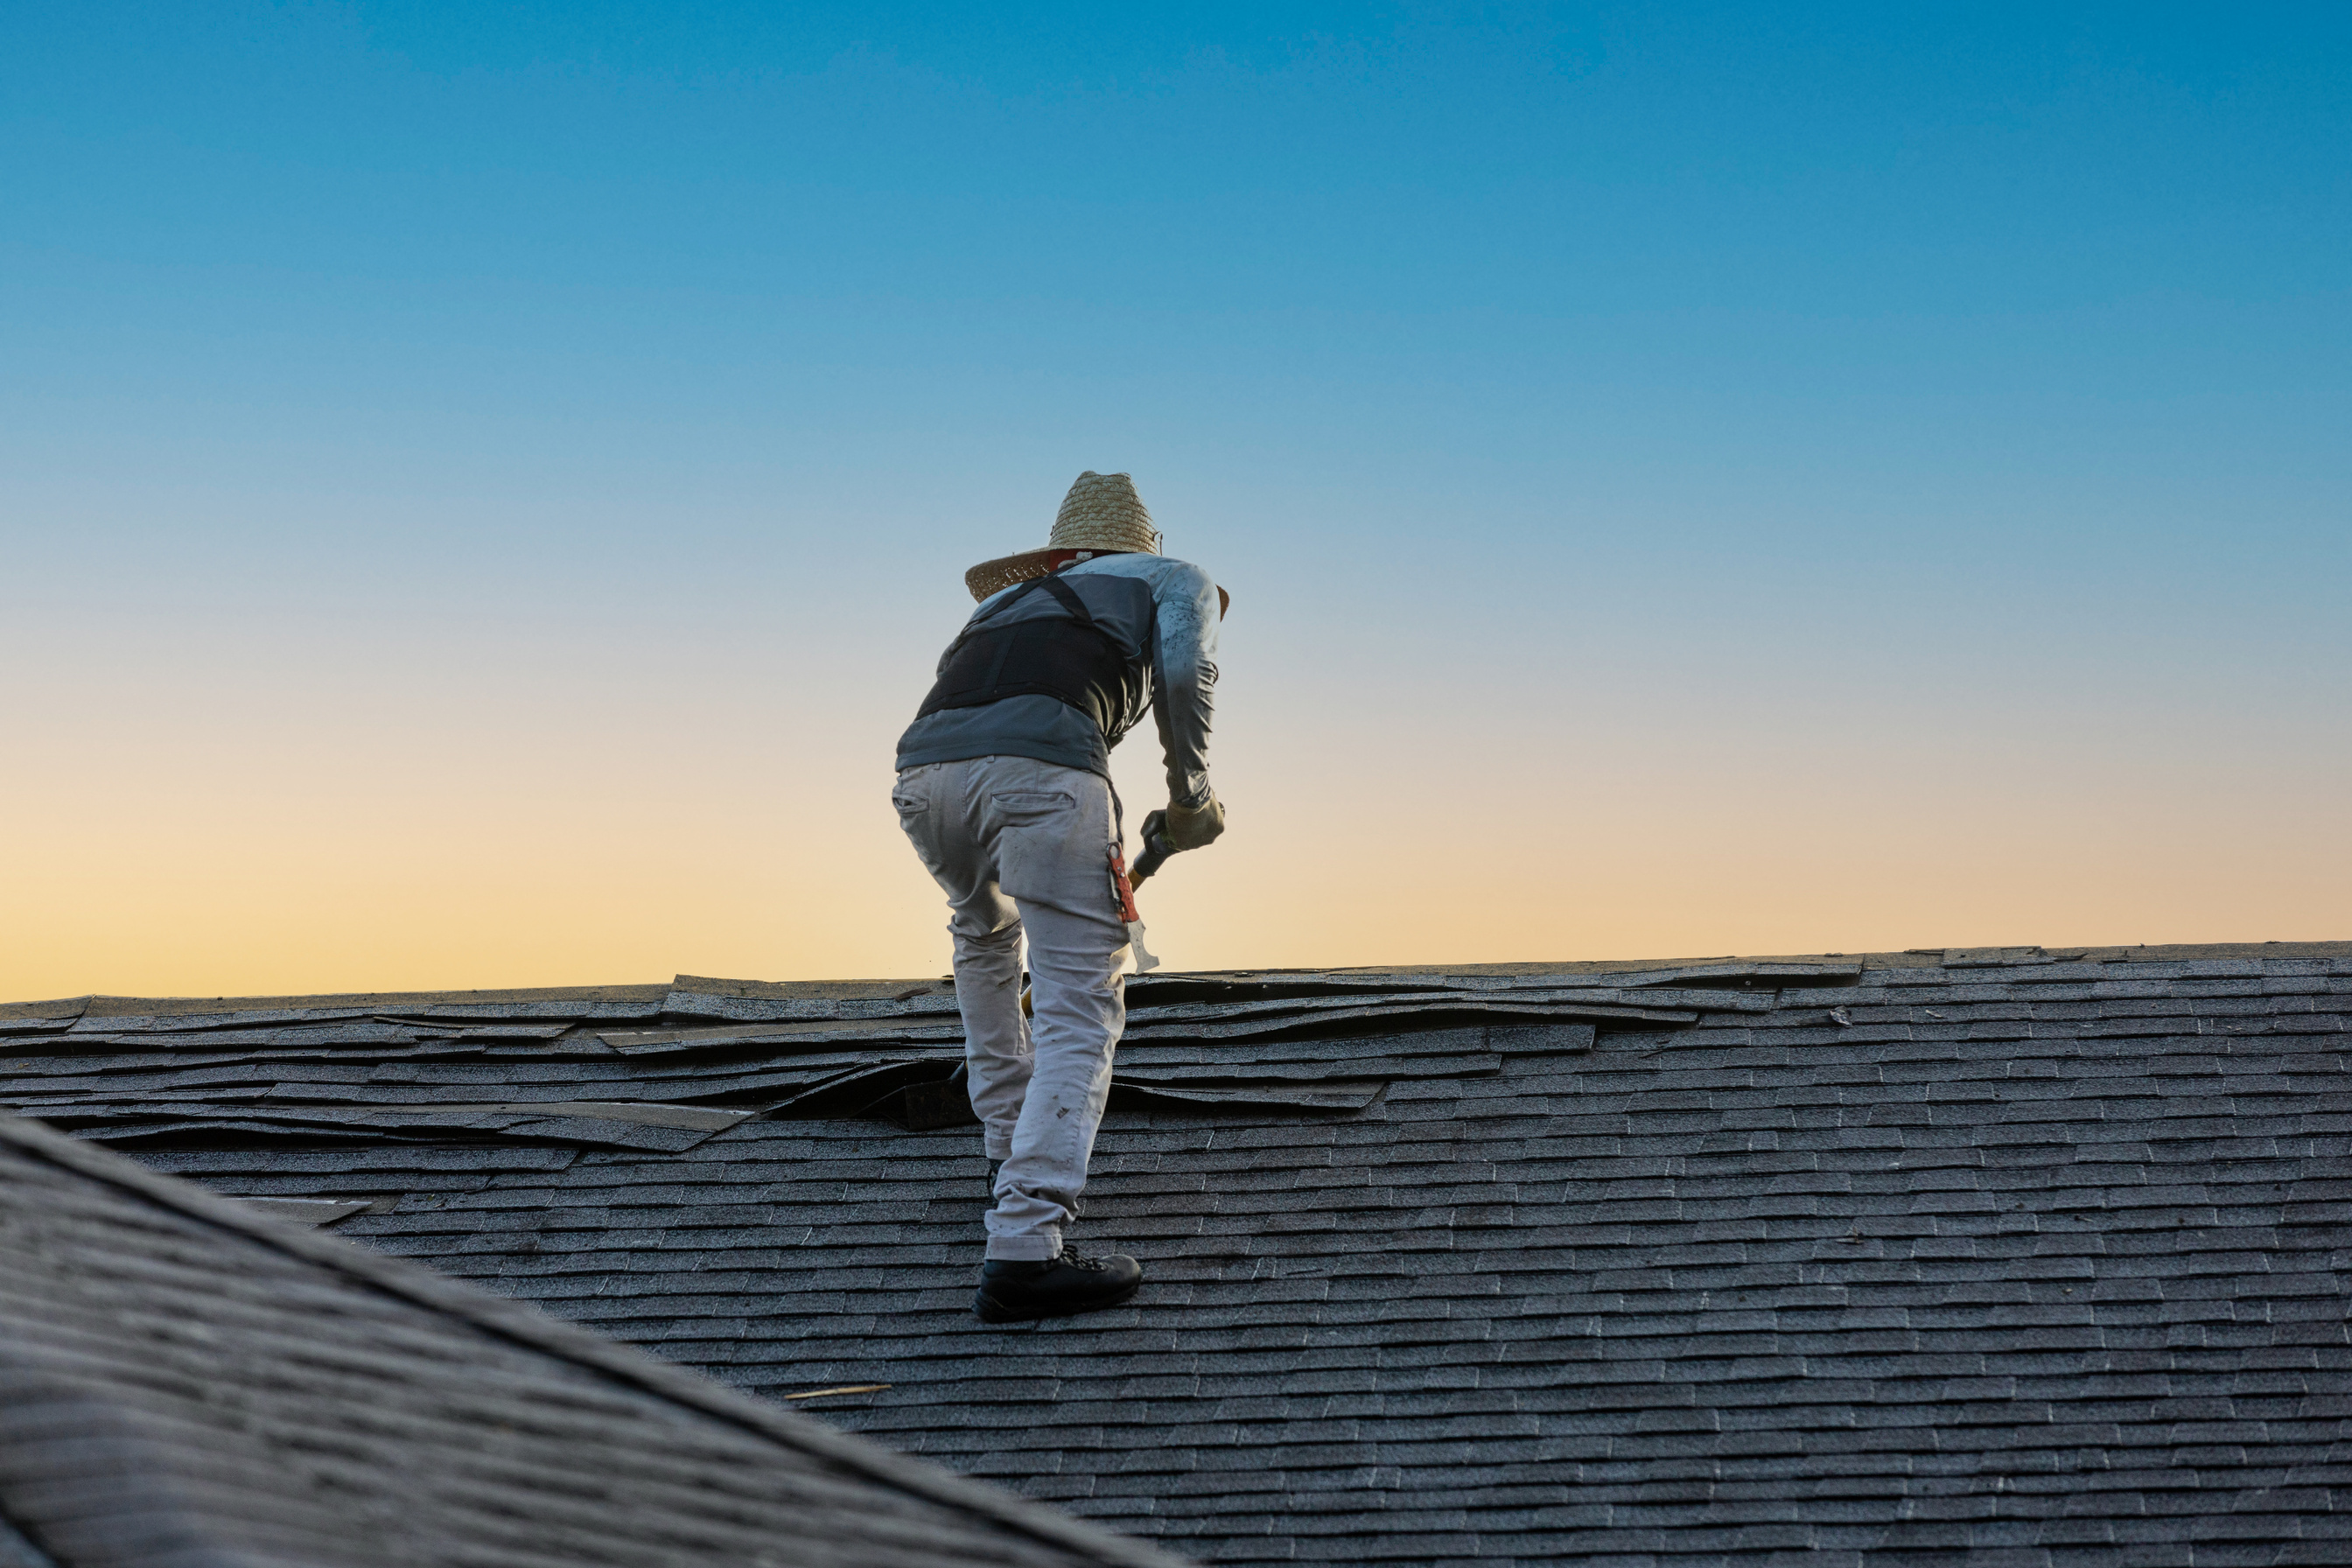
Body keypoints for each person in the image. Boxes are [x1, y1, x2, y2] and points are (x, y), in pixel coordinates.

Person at [892, 471, 1226, 1323]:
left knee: (983, 940)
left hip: (924, 773)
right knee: (1082, 1000)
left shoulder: (999, 609)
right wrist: (1190, 799)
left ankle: (1009, 1160)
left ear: (1060, 552)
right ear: (1139, 546)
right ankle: (1026, 1246)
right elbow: (1187, 674)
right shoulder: (1174, 579)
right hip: (1043, 772)